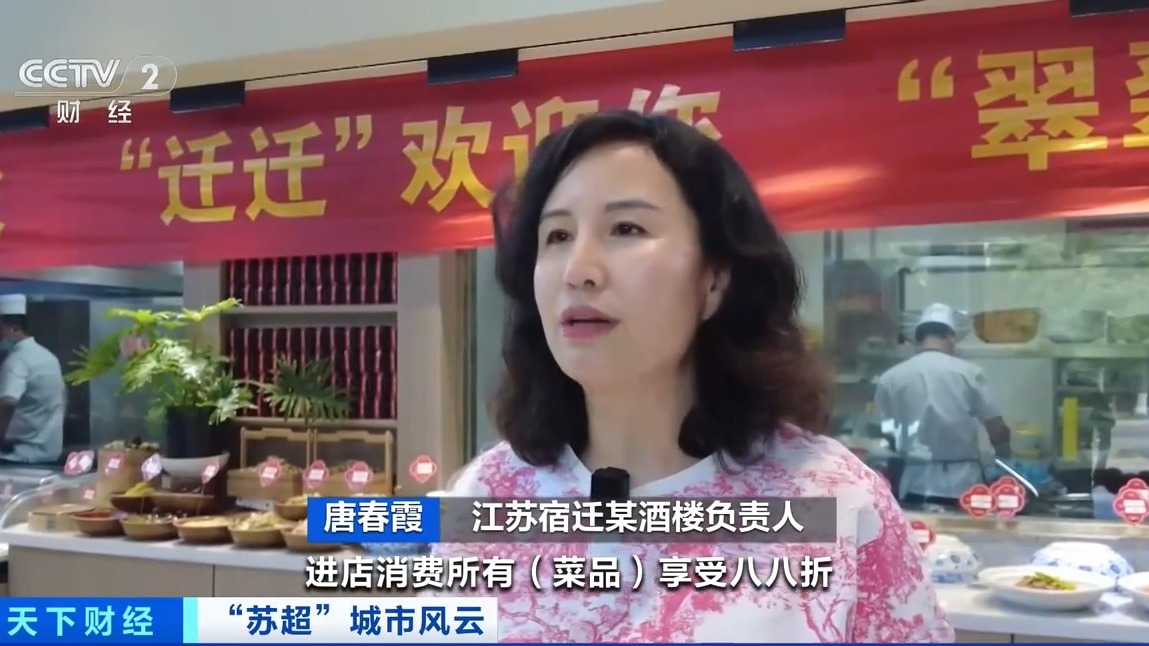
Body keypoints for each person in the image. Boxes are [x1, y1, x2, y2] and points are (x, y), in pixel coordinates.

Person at [432, 110, 952, 642]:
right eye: (557, 235)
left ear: (714, 280)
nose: (578, 270)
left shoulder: (838, 503)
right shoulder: (487, 495)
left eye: (626, 229)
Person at [874, 304, 1012, 507]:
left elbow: (884, 433)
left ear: (918, 340)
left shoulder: (890, 378)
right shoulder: (969, 373)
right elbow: (997, 428)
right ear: (951, 337)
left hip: (913, 485)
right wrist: (1003, 461)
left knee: (920, 528)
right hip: (965, 487)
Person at [0, 295, 65, 464]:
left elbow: (9, 401)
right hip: (49, 451)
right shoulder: (48, 356)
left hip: (19, 454)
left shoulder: (17, 359)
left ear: (15, 329)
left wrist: (1, 435)